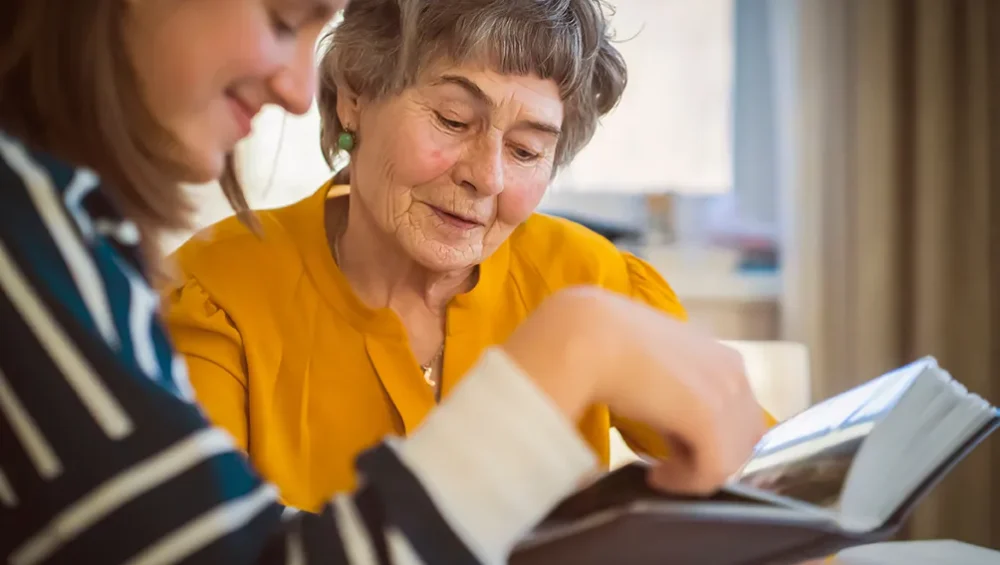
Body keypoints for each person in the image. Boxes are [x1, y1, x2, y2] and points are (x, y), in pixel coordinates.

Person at [0, 1, 768, 564]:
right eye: (452, 119)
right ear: (354, 96)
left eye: (530, 148)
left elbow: (779, 500)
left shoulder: (596, 276)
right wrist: (569, 354)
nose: (486, 176)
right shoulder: (208, 293)